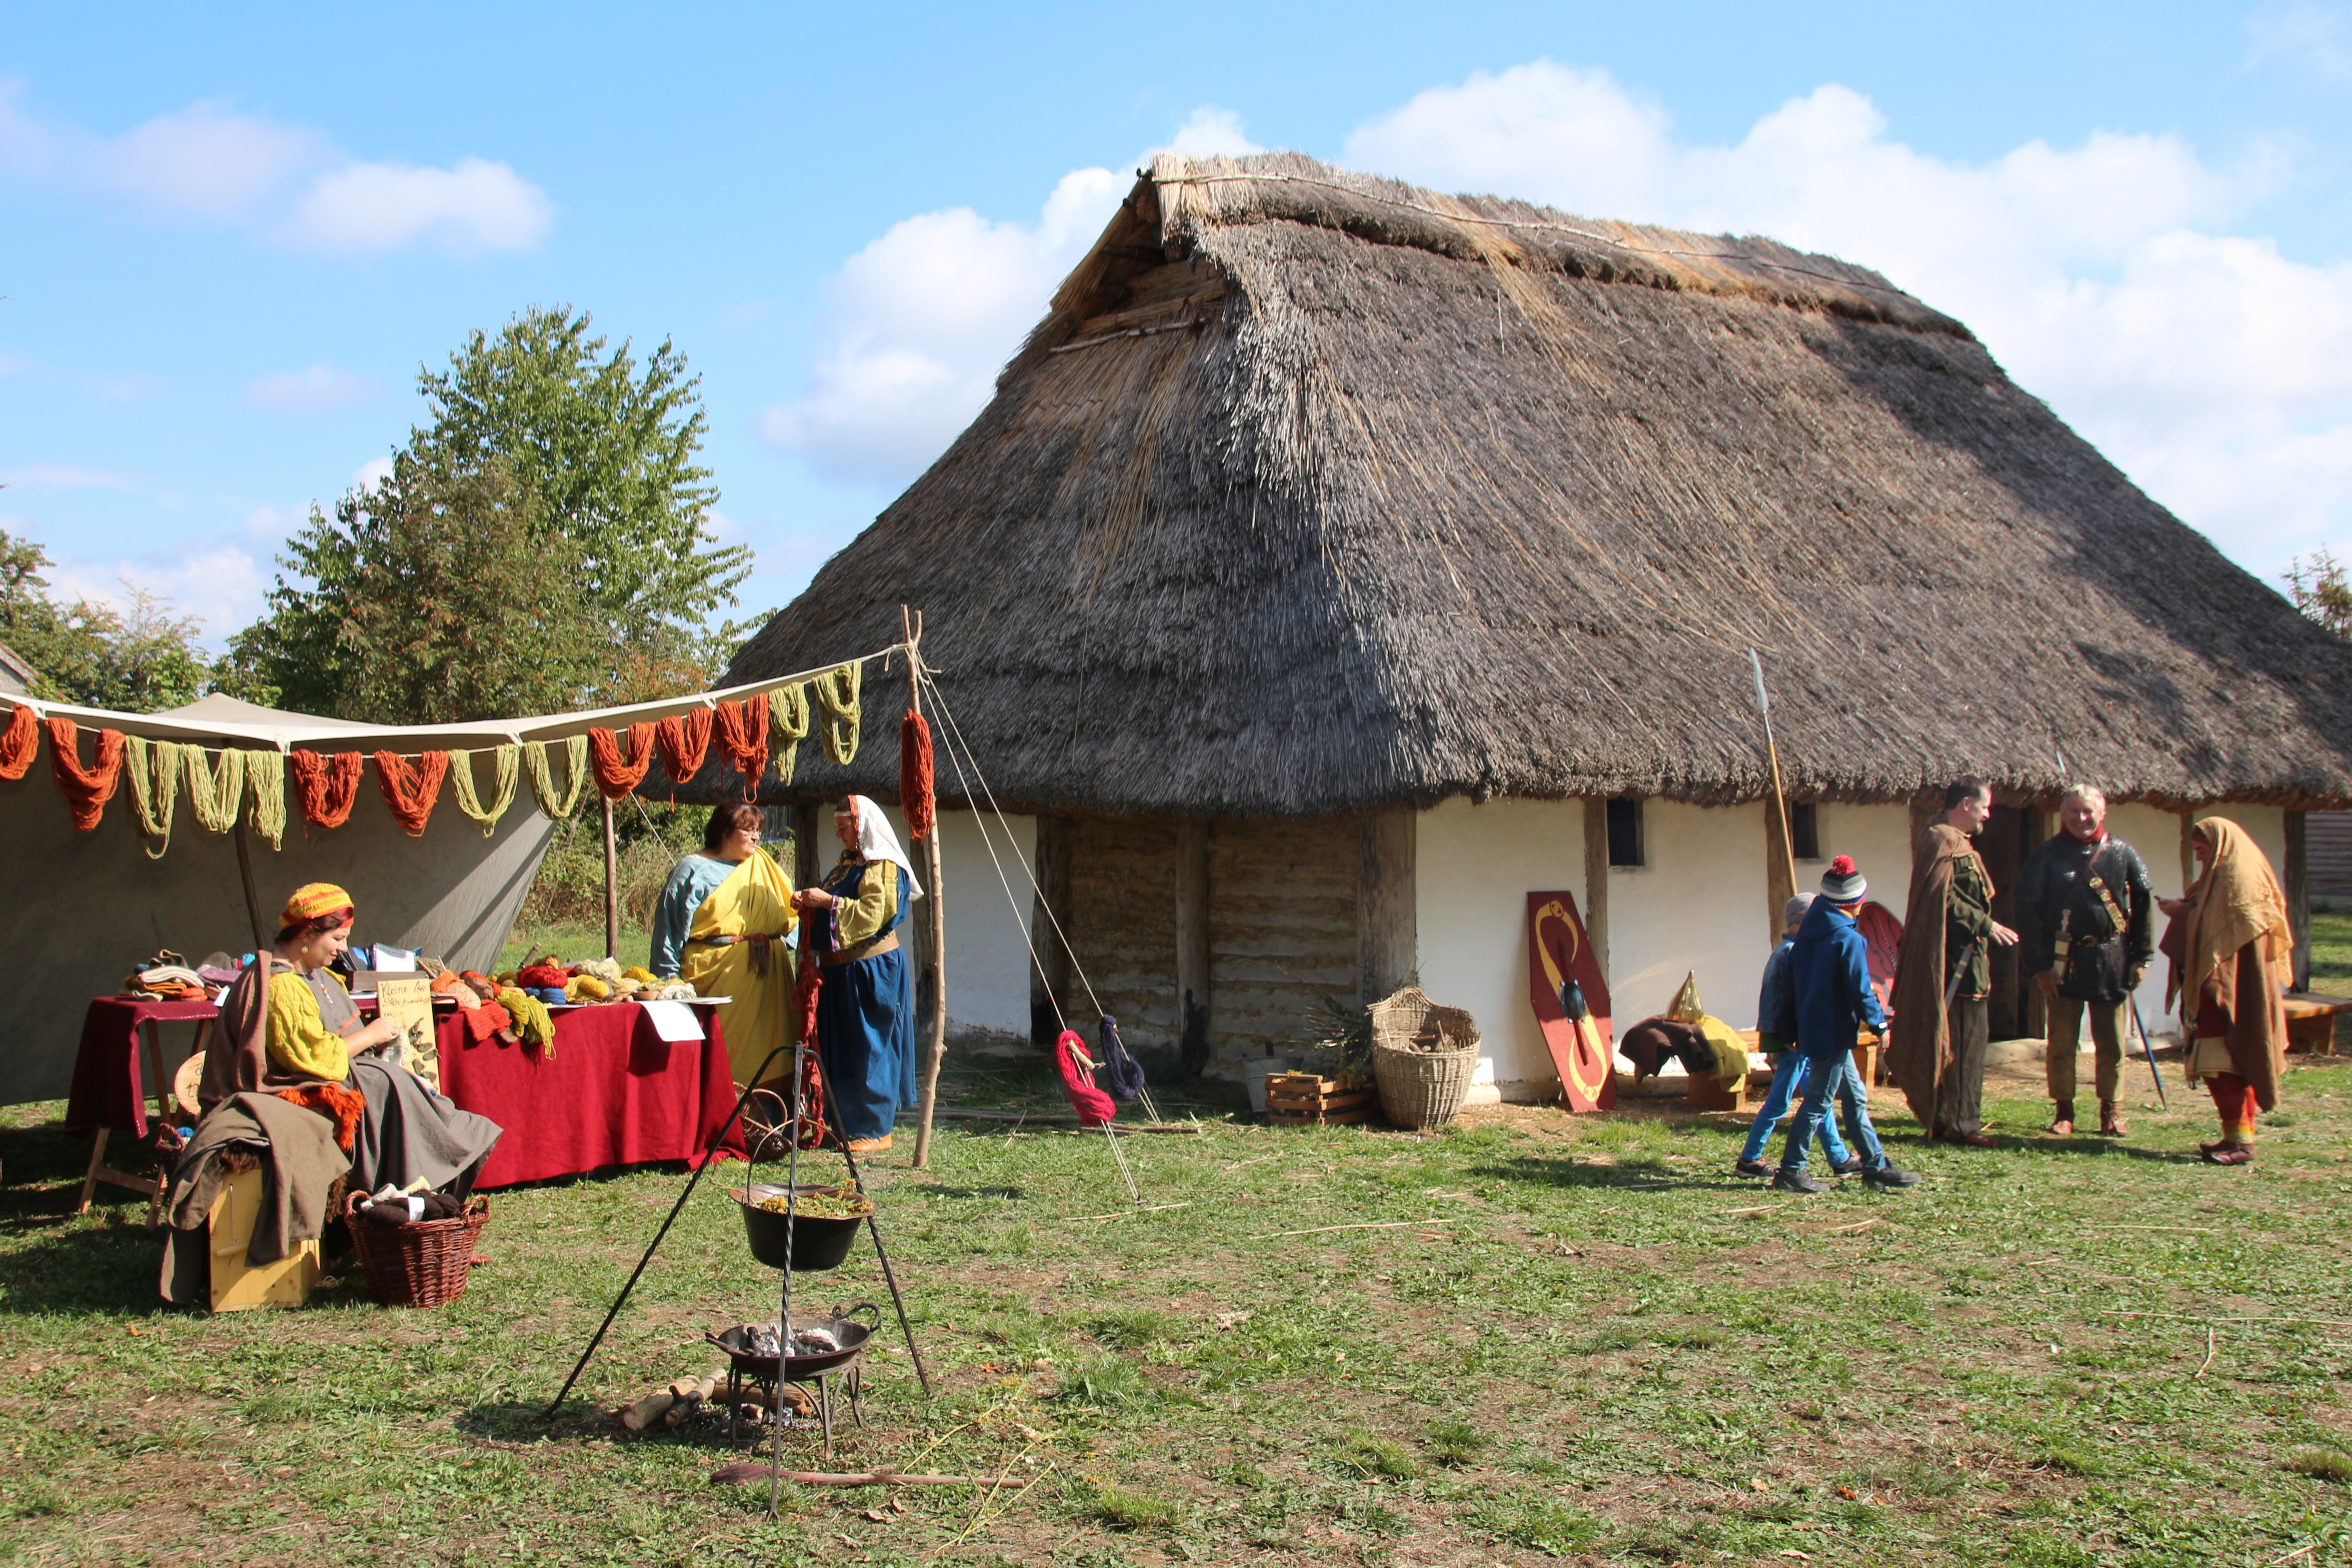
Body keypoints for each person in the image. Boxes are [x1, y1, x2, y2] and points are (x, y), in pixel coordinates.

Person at [203, 882, 502, 1197]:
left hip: (310, 1079)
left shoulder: (310, 975)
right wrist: (370, 1035)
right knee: (381, 1085)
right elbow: (318, 1060)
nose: (344, 949)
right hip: (281, 1092)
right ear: (307, 934)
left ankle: (434, 1167)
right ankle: (400, 1186)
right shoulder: (281, 987)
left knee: (392, 1080)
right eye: (338, 938)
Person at [1770, 858, 1920, 1194]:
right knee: (1818, 1104)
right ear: (1857, 903)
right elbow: (1860, 988)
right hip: (1834, 1033)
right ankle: (1791, 1171)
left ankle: (1875, 1165)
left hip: (1813, 1029)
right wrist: (1881, 1026)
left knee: (1855, 1098)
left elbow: (1791, 986)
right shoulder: (1847, 940)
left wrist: (1789, 1029)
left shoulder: (1807, 934)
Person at [2014, 784, 2154, 1137]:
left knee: (2112, 1044)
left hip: (2113, 959)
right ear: (2063, 815)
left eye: (2088, 811)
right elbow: (2027, 913)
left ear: (2102, 812)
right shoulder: (2046, 856)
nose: (2081, 818)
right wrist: (2041, 966)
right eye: (2074, 811)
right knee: (2061, 1043)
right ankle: (2065, 1112)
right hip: (2064, 963)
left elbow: (2144, 904)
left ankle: (2112, 1111)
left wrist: (2142, 957)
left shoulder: (2123, 853)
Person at [1888, 779, 2019, 1146]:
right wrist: (1986, 924)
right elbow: (1942, 900)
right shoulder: (1942, 841)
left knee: (1966, 1045)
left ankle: (1950, 1117)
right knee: (1963, 1047)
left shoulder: (1952, 842)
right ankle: (1961, 1124)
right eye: (1985, 807)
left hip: (1968, 964)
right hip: (1953, 966)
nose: (1988, 815)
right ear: (1966, 804)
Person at [791, 795, 921, 1154]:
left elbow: (873, 915)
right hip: (841, 972)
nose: (839, 835)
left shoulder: (884, 867)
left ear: (862, 826)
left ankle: (875, 1129)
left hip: (871, 971)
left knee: (869, 1047)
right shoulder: (847, 865)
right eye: (837, 828)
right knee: (844, 1048)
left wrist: (826, 903)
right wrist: (808, 904)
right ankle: (846, 1125)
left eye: (844, 828)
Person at [2159, 818, 2291, 1165]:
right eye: (2197, 852)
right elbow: (2206, 918)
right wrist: (2186, 910)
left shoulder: (2241, 884)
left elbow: (2218, 929)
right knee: (2223, 1066)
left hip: (2231, 989)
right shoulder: (2214, 881)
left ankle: (2242, 1144)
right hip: (2212, 988)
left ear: (2222, 847)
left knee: (2225, 1063)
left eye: (2205, 850)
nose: (2200, 857)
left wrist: (2182, 914)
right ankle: (2235, 1137)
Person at [652, 801, 799, 1088]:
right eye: (748, 830)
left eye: (758, 830)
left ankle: (768, 1126)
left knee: (772, 1057)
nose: (757, 837)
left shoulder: (762, 866)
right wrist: (667, 981)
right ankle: (722, 1122)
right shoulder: (693, 870)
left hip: (769, 984)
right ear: (725, 832)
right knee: (722, 1058)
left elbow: (792, 922)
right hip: (717, 981)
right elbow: (669, 931)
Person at [1734, 892, 1858, 1180]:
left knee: (1818, 1096)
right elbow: (1795, 999)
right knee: (1779, 1102)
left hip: (1789, 1038)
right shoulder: (1793, 953)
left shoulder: (1784, 949)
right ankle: (1749, 1159)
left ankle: (1839, 1157)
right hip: (1791, 1041)